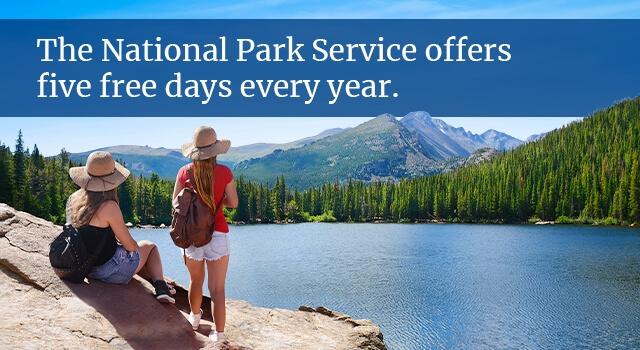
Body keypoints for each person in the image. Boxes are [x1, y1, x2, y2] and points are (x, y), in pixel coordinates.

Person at [67, 151, 175, 303]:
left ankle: (159, 284)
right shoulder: (109, 206)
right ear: (112, 181)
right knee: (149, 247)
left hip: (86, 268)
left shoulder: (74, 200)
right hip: (109, 272)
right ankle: (161, 287)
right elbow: (131, 247)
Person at [173, 126, 238, 342]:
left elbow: (175, 203)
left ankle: (194, 318)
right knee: (217, 289)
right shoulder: (225, 172)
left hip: (192, 234)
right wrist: (218, 202)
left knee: (195, 281)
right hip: (218, 232)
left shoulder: (184, 172)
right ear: (216, 150)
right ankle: (218, 334)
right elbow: (234, 203)